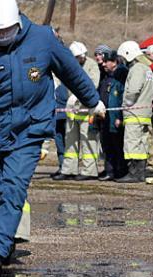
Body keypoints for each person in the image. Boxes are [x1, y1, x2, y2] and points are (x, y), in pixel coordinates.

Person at [0, 0, 103, 277]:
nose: (1, 37)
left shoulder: (43, 39)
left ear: (18, 22)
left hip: (29, 131)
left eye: (6, 31)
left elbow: (70, 72)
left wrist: (93, 100)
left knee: (13, 188)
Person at [54, 41, 101, 181]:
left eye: (78, 57)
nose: (77, 60)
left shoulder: (92, 66)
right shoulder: (71, 64)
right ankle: (69, 169)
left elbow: (93, 84)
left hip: (86, 110)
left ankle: (89, 171)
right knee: (70, 140)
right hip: (72, 111)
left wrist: (77, 95)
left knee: (88, 141)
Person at [115, 41, 153, 183]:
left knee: (132, 144)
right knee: (142, 144)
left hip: (134, 114)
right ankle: (140, 172)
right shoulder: (147, 69)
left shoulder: (137, 68)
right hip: (144, 114)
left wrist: (126, 104)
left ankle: (134, 173)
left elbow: (133, 90)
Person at [98, 51, 128, 181]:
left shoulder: (121, 76)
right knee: (107, 145)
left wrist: (119, 117)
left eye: (107, 62)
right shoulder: (106, 76)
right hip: (106, 117)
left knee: (117, 145)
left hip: (115, 117)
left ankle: (119, 171)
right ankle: (109, 170)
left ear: (114, 62)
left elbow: (122, 97)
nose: (104, 64)